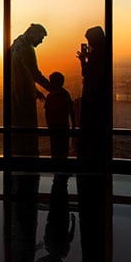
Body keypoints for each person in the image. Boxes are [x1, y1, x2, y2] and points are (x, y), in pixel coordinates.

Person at [10, 23, 52, 157]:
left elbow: (23, 73)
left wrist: (34, 89)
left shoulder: (16, 45)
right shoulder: (25, 48)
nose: (41, 41)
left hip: (18, 93)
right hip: (23, 96)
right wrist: (53, 88)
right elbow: (34, 73)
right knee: (27, 131)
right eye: (41, 37)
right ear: (33, 33)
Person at [76, 25, 109, 166]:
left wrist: (83, 61)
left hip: (92, 96)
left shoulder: (97, 56)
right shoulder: (103, 53)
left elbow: (87, 73)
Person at [44, 71, 75, 160]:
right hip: (64, 126)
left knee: (55, 150)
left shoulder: (50, 96)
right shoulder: (65, 94)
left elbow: (47, 112)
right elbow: (71, 111)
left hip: (54, 127)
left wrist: (48, 125)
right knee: (63, 150)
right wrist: (73, 126)